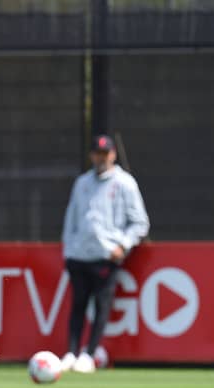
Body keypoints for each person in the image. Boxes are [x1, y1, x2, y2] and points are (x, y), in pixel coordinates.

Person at [61, 134, 149, 373]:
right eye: (97, 154)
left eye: (105, 153)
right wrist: (68, 250)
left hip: (106, 255)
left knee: (101, 306)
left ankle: (89, 354)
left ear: (113, 155)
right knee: (77, 305)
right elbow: (71, 219)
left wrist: (122, 245)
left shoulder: (124, 183)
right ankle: (71, 352)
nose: (101, 158)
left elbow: (140, 222)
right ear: (92, 156)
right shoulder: (82, 183)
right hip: (79, 255)